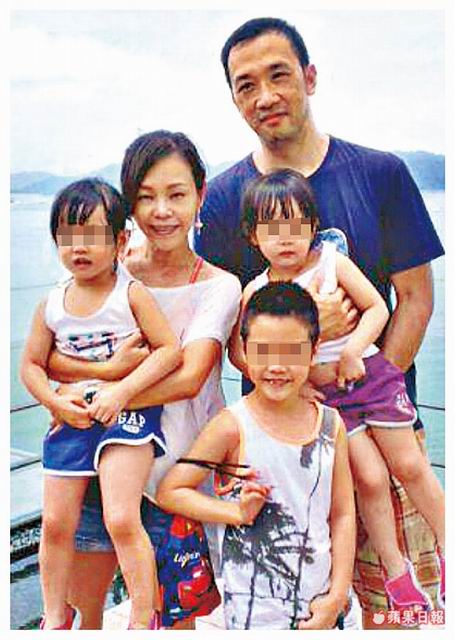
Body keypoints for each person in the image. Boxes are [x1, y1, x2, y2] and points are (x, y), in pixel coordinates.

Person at [194, 16, 444, 626]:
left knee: (401, 606)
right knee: (292, 608)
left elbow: (414, 299)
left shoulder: (380, 173)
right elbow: (224, 337)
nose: (265, 96)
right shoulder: (224, 199)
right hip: (276, 448)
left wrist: (361, 388)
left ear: (309, 77)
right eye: (246, 85)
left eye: (278, 75)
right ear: (234, 99)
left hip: (379, 421)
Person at [46, 131, 242, 629]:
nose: (162, 211)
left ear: (200, 195)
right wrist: (105, 377)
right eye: (146, 196)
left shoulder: (219, 286)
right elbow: (52, 354)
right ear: (128, 204)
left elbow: (190, 377)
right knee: (86, 608)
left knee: (171, 619)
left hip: (176, 473)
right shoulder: (104, 272)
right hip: (94, 463)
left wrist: (97, 395)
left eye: (176, 194)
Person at [229, 168, 445, 613]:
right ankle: (396, 572)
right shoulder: (258, 291)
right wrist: (302, 385)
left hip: (371, 377)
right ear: (253, 236)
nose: (286, 238)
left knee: (409, 465)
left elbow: (376, 308)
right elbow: (248, 353)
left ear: (313, 226)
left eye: (296, 225)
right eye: (272, 228)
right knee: (369, 480)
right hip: (331, 401)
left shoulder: (331, 262)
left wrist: (354, 350)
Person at [20, 178, 181, 630]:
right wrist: (54, 402)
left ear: (120, 241)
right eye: (68, 236)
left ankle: (143, 615)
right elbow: (30, 365)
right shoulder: (52, 305)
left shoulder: (130, 294)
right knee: (56, 524)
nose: (80, 247)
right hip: (72, 419)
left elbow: (169, 350)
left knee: (121, 517)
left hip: (128, 418)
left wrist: (122, 391)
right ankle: (56, 615)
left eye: (93, 235)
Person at [156, 282, 356, 630]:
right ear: (245, 351)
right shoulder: (232, 426)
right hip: (255, 614)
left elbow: (342, 514)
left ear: (314, 351)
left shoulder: (330, 424)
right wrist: (235, 512)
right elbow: (171, 490)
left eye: (291, 352)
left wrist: (338, 594)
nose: (276, 366)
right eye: (263, 351)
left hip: (325, 605)